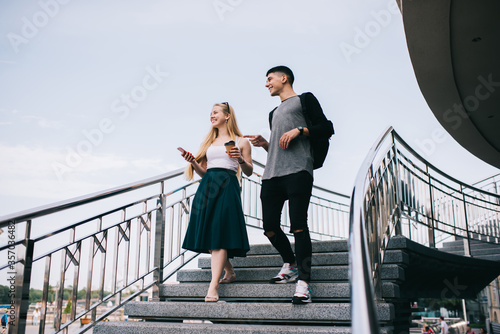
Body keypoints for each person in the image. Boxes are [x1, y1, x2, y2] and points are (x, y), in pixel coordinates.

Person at [245, 65, 333, 304]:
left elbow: (327, 128)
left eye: (270, 79)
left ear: (284, 78)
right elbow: (280, 146)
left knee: (298, 226)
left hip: (298, 171)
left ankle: (304, 283)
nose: (266, 84)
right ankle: (291, 263)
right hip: (272, 174)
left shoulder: (305, 100)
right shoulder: (273, 113)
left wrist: (300, 130)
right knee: (269, 226)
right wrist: (266, 144)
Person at [181, 102, 253, 302]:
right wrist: (193, 162)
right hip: (207, 186)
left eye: (215, 113)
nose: (211, 116)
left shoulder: (241, 141)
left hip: (228, 186)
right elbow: (204, 171)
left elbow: (248, 171)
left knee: (219, 233)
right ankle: (229, 272)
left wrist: (239, 159)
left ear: (227, 116)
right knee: (213, 233)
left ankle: (213, 286)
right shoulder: (209, 142)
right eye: (210, 113)